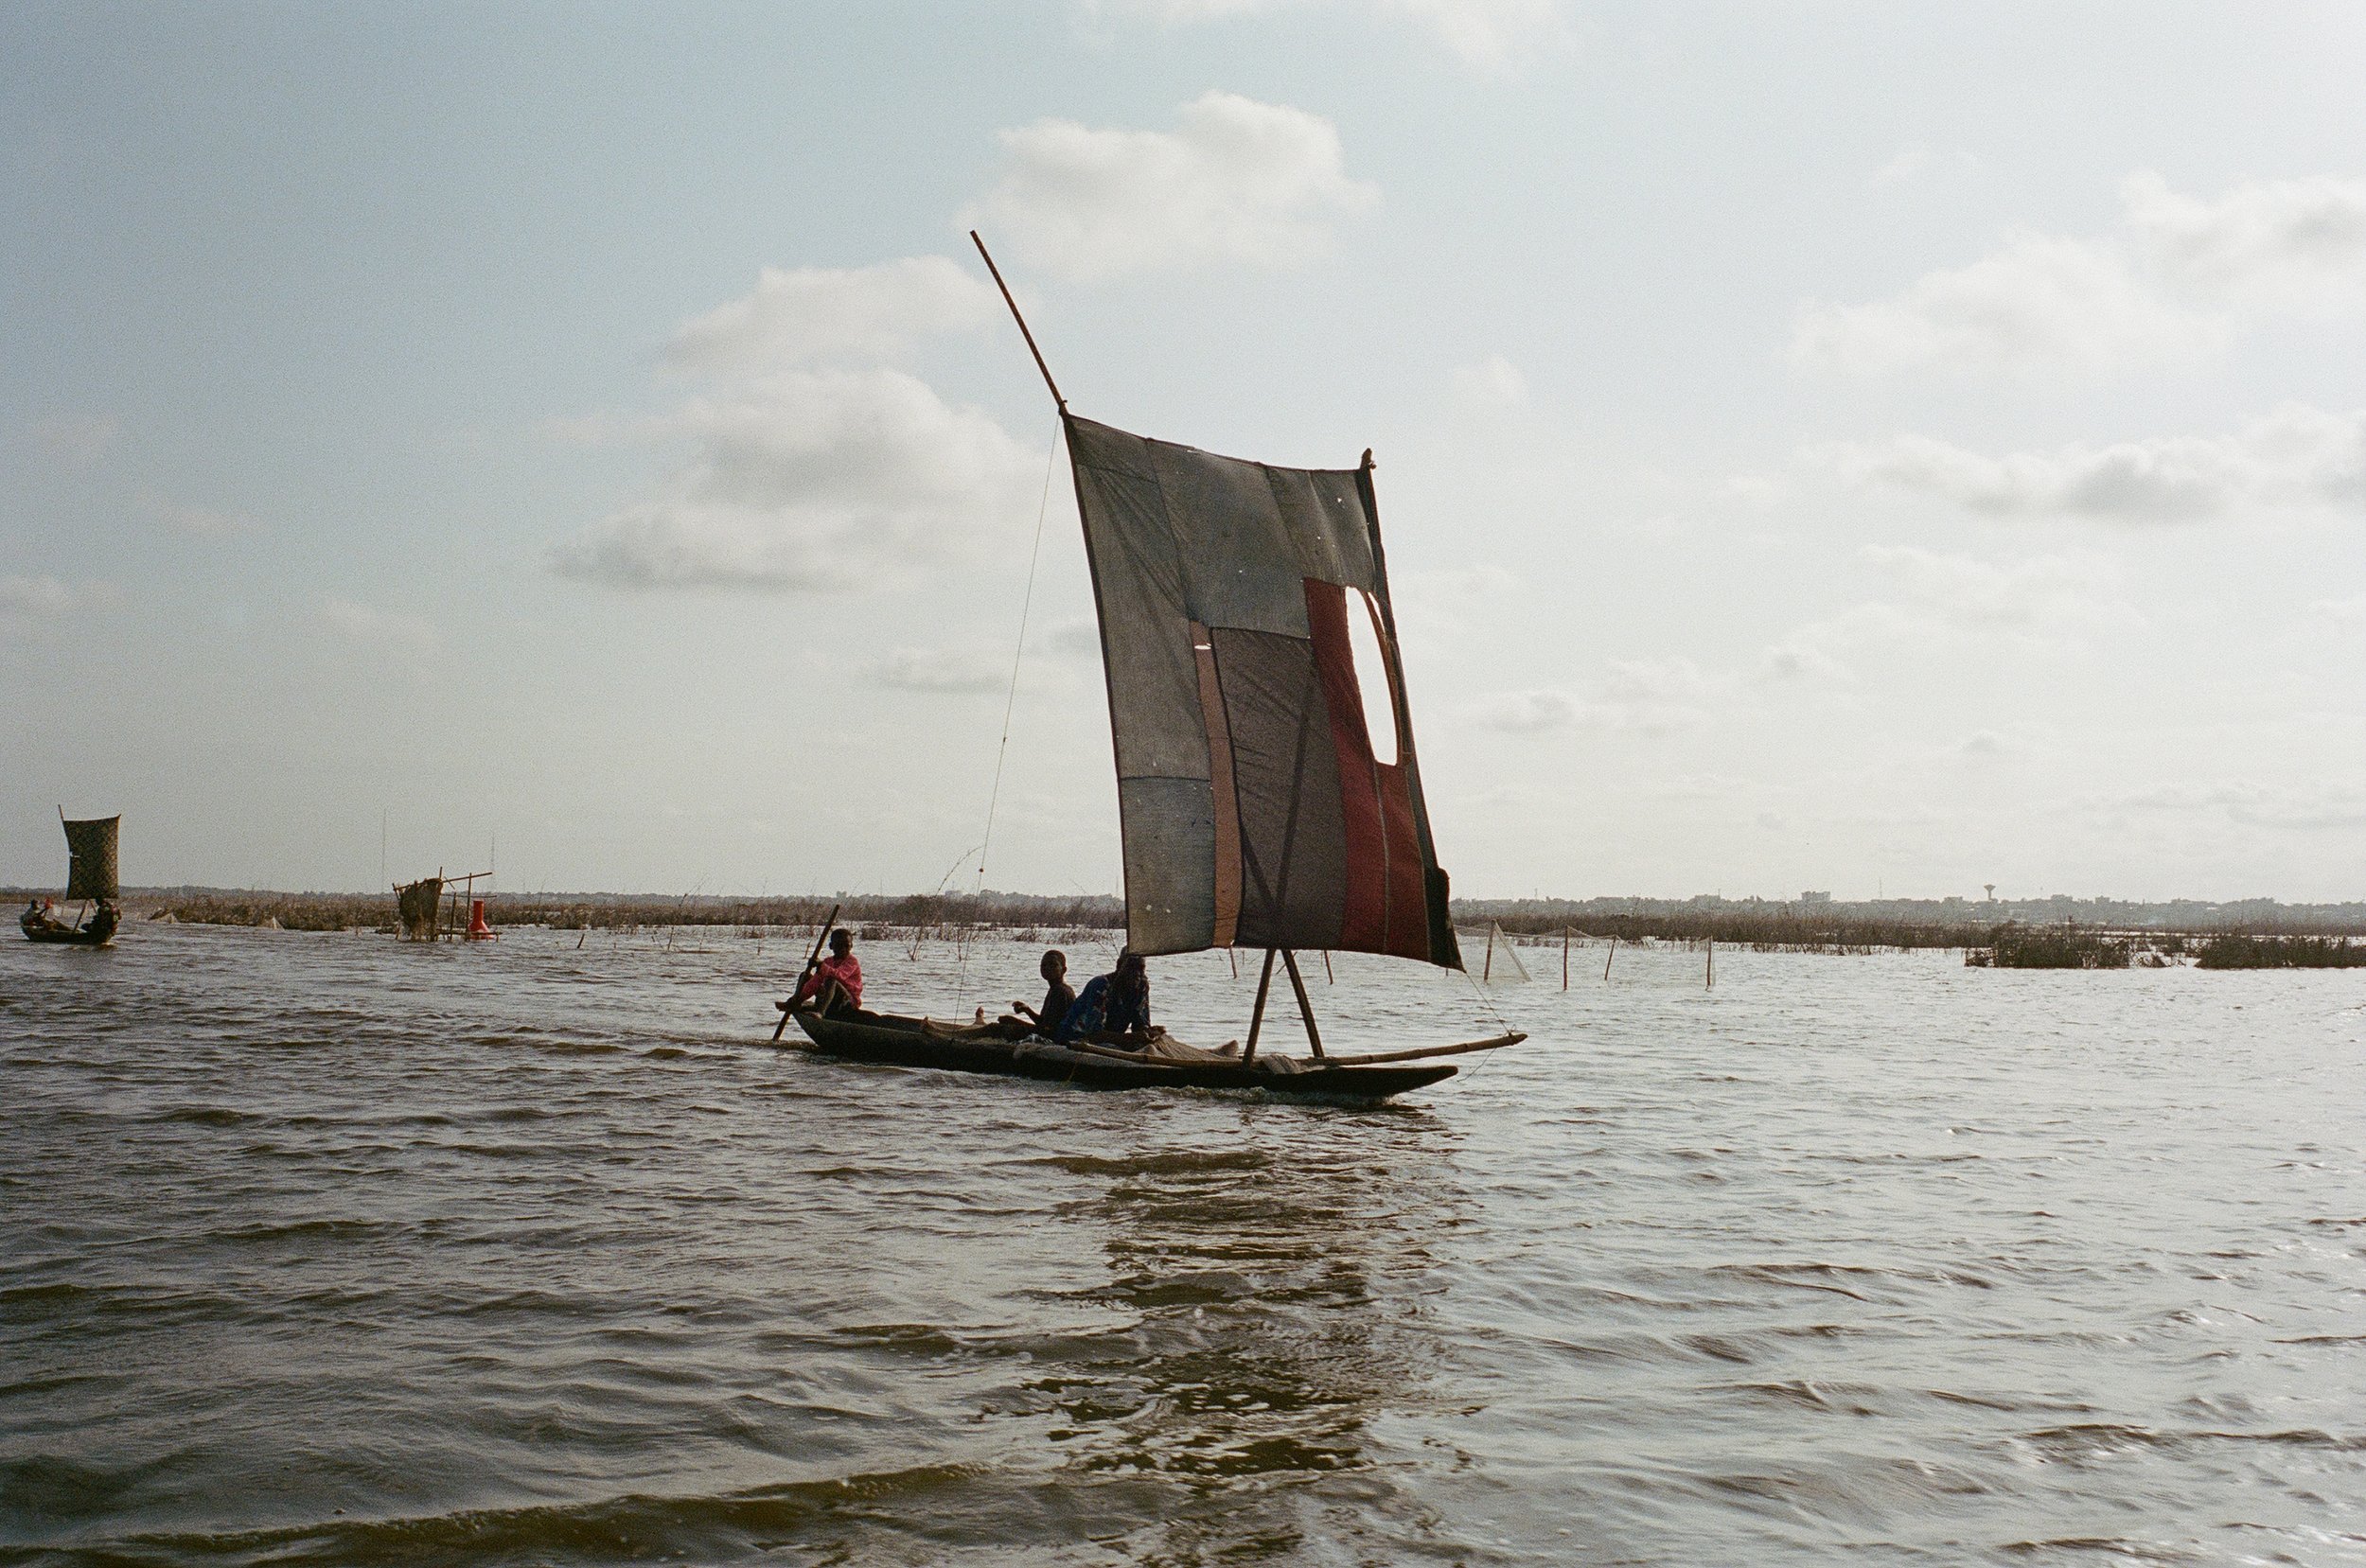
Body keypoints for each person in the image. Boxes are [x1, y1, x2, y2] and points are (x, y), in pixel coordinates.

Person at [1057, 949, 1155, 1048]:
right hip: (1075, 1038)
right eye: (1131, 968)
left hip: (1111, 1040)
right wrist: (1131, 1038)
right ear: (1119, 966)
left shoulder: (1142, 986)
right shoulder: (1101, 985)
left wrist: (1148, 1033)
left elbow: (1140, 1024)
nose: (1137, 973)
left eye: (1141, 968)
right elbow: (1094, 1033)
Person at [789, 928, 864, 1015]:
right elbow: (814, 983)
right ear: (831, 946)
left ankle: (821, 1012)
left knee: (831, 980)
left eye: (846, 946)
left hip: (847, 1003)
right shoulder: (828, 961)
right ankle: (797, 1002)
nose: (843, 949)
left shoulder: (852, 961)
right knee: (805, 976)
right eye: (839, 946)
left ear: (851, 946)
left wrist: (821, 965)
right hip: (830, 999)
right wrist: (800, 997)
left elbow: (839, 975)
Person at [1012, 949, 1075, 1039]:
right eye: (1044, 965)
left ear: (1063, 970)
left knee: (995, 1028)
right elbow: (1044, 1022)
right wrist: (1027, 1010)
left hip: (1057, 1039)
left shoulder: (1060, 991)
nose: (1047, 968)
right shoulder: (1055, 989)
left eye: (1053, 965)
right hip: (1052, 1035)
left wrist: (1016, 1022)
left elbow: (1048, 1030)